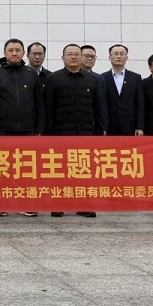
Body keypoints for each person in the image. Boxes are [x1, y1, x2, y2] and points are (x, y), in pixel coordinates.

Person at [0, 38, 45, 217]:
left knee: (27, 169)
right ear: (4, 53)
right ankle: (1, 204)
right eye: (10, 50)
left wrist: (39, 129)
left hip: (28, 130)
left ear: (23, 53)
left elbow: (39, 104)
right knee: (2, 168)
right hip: (3, 129)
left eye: (18, 50)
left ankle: (27, 204)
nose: (14, 53)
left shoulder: (31, 74)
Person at [44, 44, 104, 218]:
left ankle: (84, 205)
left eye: (77, 54)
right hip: (60, 133)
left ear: (81, 57)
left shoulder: (92, 80)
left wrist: (100, 131)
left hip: (85, 133)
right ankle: (58, 204)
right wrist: (48, 132)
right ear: (63, 58)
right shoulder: (53, 79)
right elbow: (48, 108)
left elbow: (98, 108)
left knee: (84, 170)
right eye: (69, 54)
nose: (73, 57)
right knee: (59, 171)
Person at [101, 44, 145, 136]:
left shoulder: (135, 78)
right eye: (116, 54)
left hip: (130, 126)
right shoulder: (102, 78)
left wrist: (140, 126)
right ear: (110, 57)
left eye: (122, 54)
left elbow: (140, 103)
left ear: (126, 57)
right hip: (109, 126)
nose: (119, 56)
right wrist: (102, 127)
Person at [79, 45, 109, 134]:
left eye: (92, 57)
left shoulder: (98, 78)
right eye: (86, 56)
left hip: (92, 125)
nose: (90, 59)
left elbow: (102, 103)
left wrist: (103, 126)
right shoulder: (70, 75)